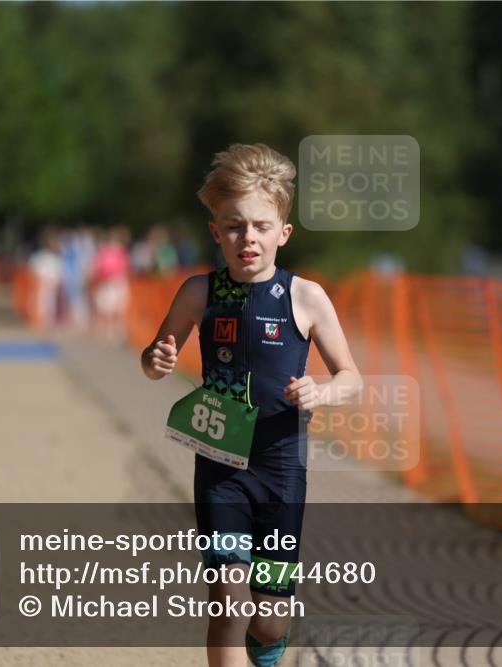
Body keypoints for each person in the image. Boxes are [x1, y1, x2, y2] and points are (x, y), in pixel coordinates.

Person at [140, 143, 362, 667]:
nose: (248, 238)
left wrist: (321, 392)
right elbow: (152, 360)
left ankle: (271, 639)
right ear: (216, 231)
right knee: (227, 601)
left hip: (282, 468)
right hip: (219, 464)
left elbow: (351, 376)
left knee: (267, 616)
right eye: (235, 226)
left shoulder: (305, 297)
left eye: (261, 226)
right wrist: (159, 358)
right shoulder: (199, 292)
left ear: (283, 233)